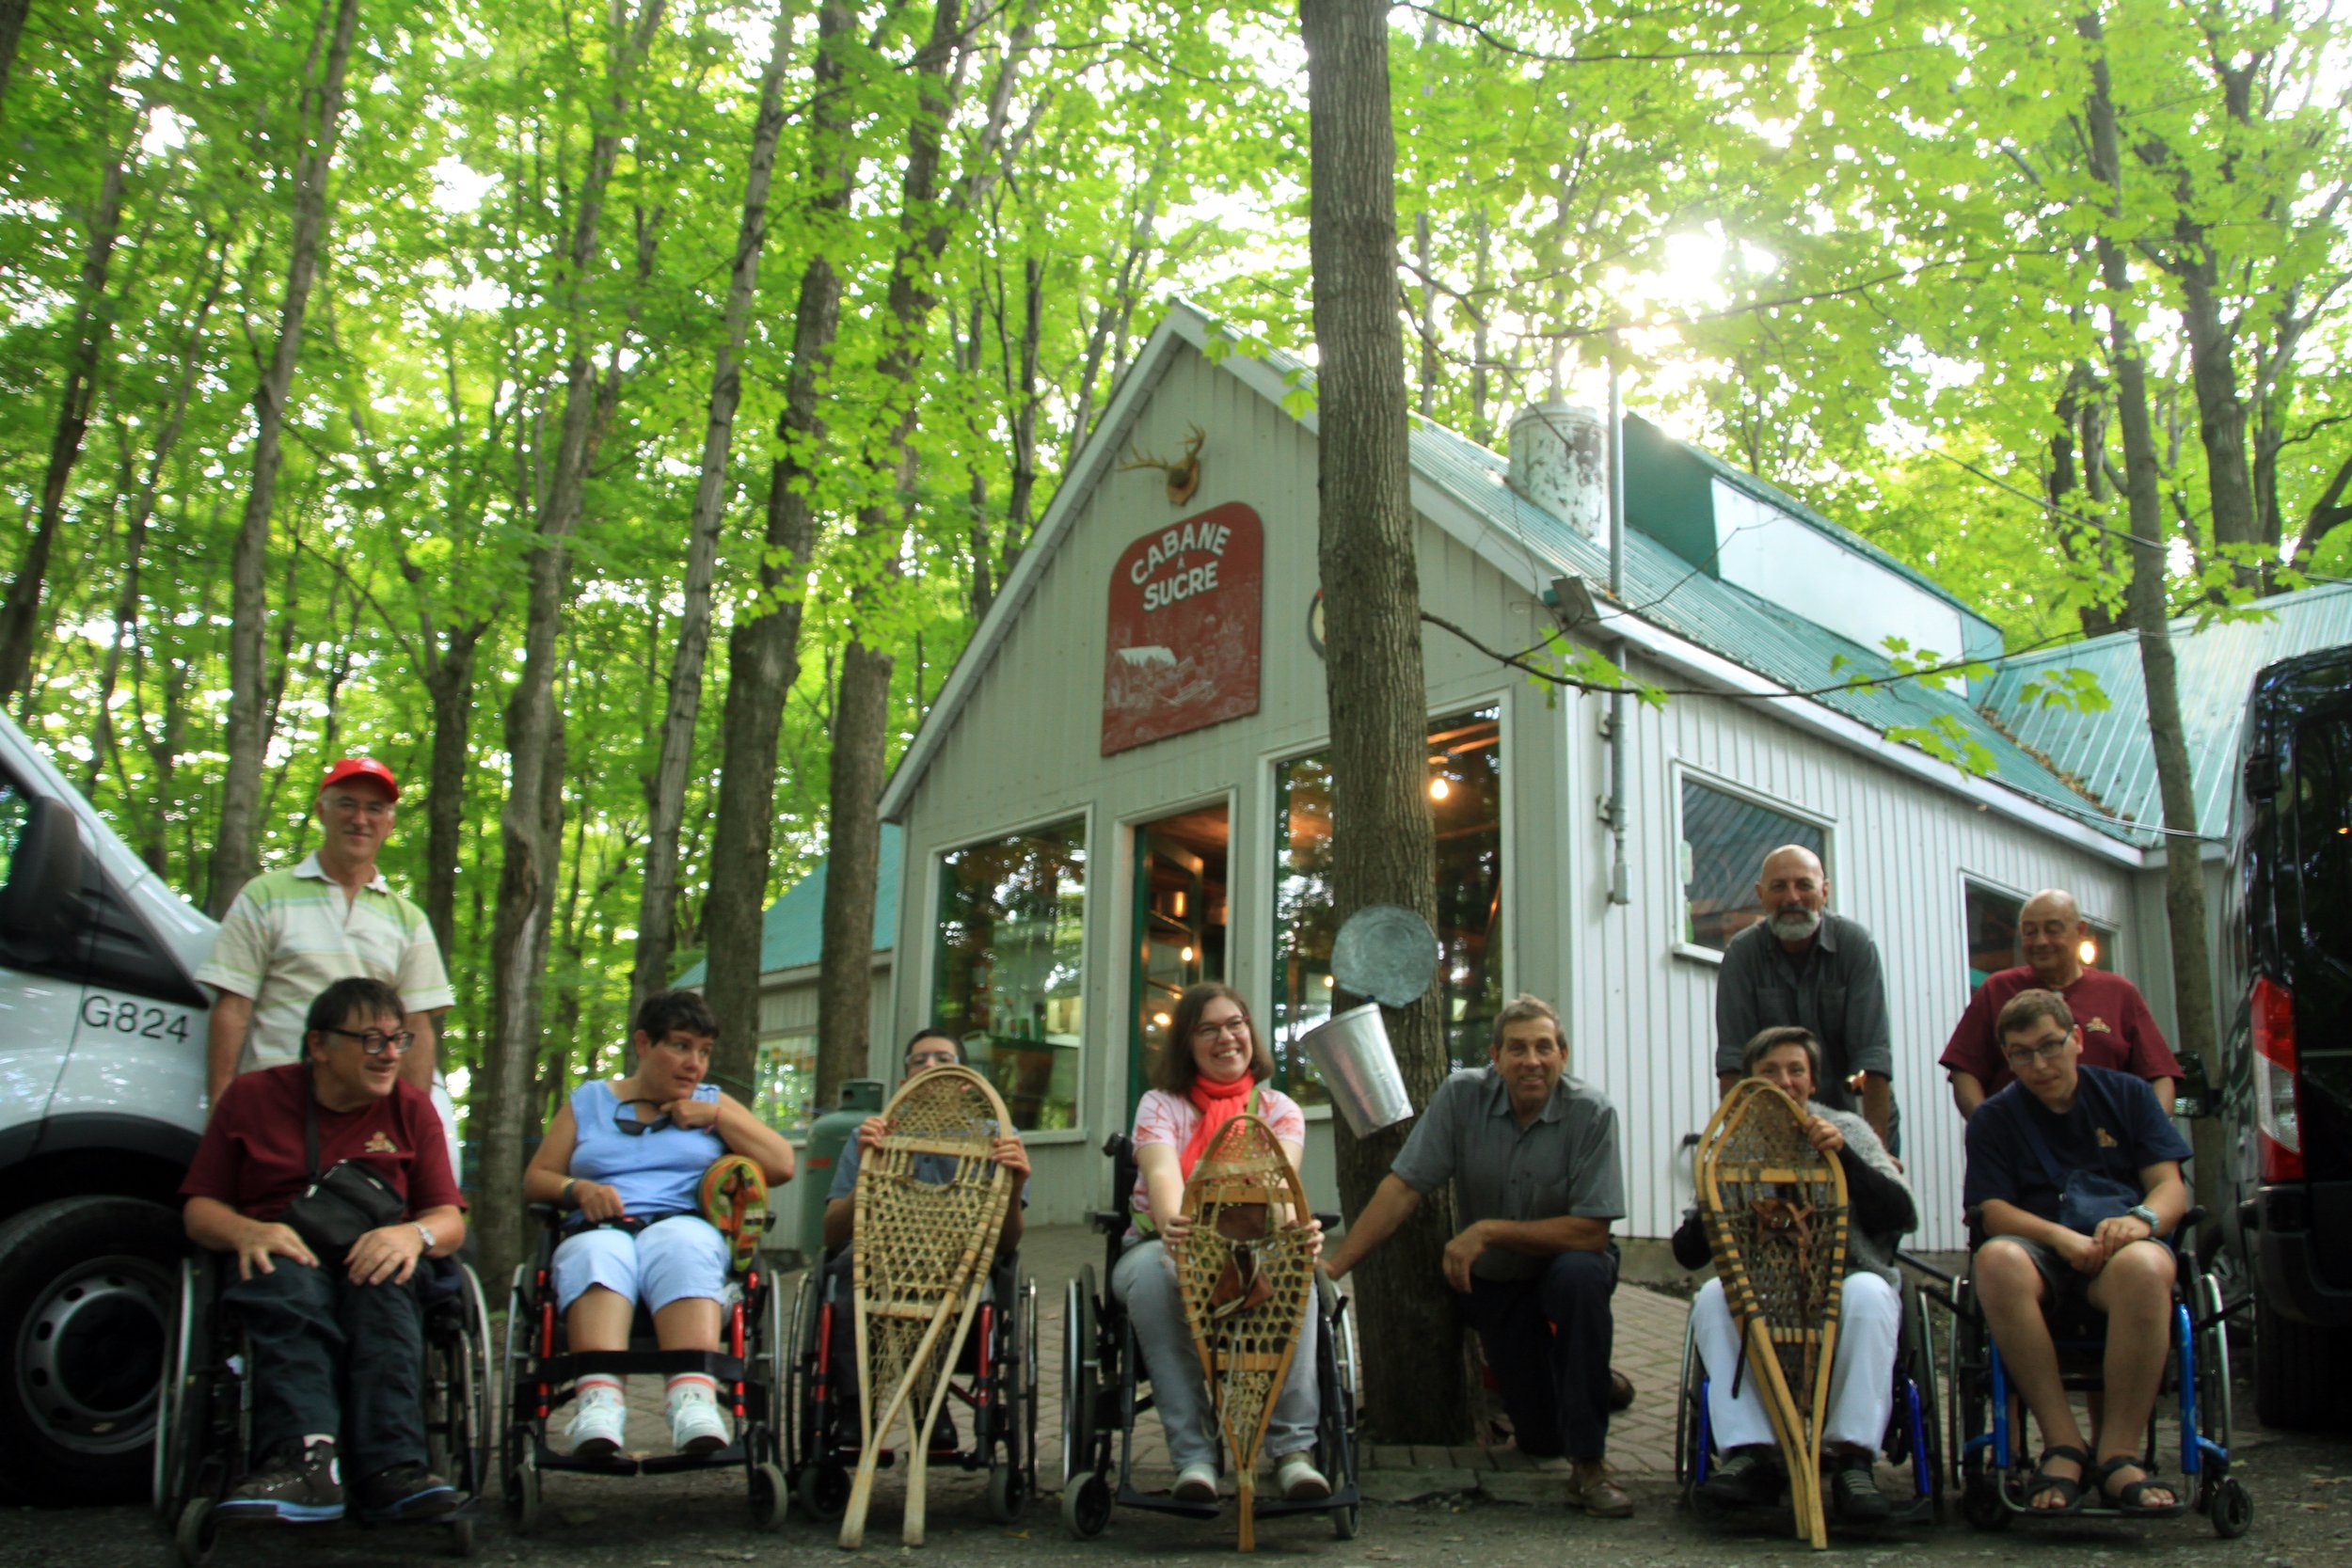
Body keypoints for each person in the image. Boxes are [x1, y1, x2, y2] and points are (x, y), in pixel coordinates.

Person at [1320, 993, 1632, 1518]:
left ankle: (1590, 1467)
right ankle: (1592, 1386)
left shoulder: (1592, 1113)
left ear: (1563, 1054)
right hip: (1500, 1282)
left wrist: (1487, 1230)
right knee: (1539, 1440)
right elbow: (1403, 1187)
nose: (1530, 1060)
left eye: (1542, 1047)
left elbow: (1591, 1233)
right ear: (1495, 1057)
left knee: (1579, 1281)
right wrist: (1335, 1265)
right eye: (1516, 1049)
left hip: (1567, 1263)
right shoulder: (1462, 1098)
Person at [178, 976, 469, 1524]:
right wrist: (247, 1232)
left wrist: (413, 1235)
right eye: (370, 1040)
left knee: (384, 1284)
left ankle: (394, 1467)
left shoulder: (412, 1108)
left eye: (398, 1040)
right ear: (318, 1045)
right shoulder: (252, 1098)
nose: (388, 1056)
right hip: (280, 1249)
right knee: (286, 1284)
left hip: (377, 1253)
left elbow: (447, 1219)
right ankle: (304, 1461)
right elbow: (199, 1208)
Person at [520, 989, 796, 1458]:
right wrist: (577, 1190)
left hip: (684, 1224)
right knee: (599, 1252)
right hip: (601, 1227)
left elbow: (782, 1165)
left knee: (679, 1242)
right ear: (644, 1044)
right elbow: (536, 1178)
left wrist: (715, 1118)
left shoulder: (713, 1103)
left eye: (705, 1052)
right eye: (682, 1046)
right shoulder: (589, 1102)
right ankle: (599, 1403)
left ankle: (693, 1400)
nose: (695, 1064)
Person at [1962, 989, 2192, 1516]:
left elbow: (2170, 1189)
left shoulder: (2129, 1096)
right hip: (2041, 1250)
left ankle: (2118, 1456)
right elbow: (1991, 1209)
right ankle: (2062, 1445)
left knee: (2146, 1264)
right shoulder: (1995, 1119)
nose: (2039, 1064)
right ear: (2008, 1058)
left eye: (2049, 1046)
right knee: (1995, 1258)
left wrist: (2140, 1223)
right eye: (2021, 1053)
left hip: (2121, 1244)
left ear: (2077, 1040)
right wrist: (2062, 1238)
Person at [1675, 1026, 1915, 1522]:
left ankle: (1853, 1459)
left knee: (1870, 1294)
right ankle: (1750, 1451)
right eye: (1770, 1072)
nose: (1784, 1082)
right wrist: (1710, 1192)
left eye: (1796, 1071)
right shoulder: (1731, 1141)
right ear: (1750, 1081)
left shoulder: (1846, 1128)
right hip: (1761, 1290)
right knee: (1714, 1296)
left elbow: (1899, 1213)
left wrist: (1843, 1157)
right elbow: (1687, 1252)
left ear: (1813, 1080)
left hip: (1844, 1279)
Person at [1115, 983, 1327, 1504]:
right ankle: (1195, 1458)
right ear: (1187, 1043)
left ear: (1251, 1031)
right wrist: (1177, 1228)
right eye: (1208, 1029)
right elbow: (1162, 1174)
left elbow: (1279, 1191)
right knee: (1155, 1278)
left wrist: (1295, 1231)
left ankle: (1293, 1451)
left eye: (1235, 1024)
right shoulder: (1161, 1105)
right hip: (1165, 1244)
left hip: (1254, 1244)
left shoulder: (1279, 1109)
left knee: (1298, 1273)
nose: (1225, 1037)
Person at [198, 757, 460, 1180]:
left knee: (369, 1227)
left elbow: (418, 1023)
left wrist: (412, 1120)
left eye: (375, 809)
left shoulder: (407, 919)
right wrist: (221, 1109)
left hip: (366, 1113)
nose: (360, 819)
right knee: (266, 1223)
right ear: (321, 811)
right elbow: (233, 1008)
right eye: (346, 804)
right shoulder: (265, 896)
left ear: (389, 824)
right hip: (274, 1102)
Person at [817, 1026, 1029, 1450]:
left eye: (943, 1060)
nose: (931, 1067)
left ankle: (929, 1398)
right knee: (843, 1272)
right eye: (920, 1060)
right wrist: (867, 1171)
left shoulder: (998, 1138)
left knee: (965, 1279)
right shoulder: (870, 1135)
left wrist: (1015, 1186)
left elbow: (1006, 1245)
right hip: (877, 1259)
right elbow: (833, 1233)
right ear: (904, 1080)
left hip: (959, 1260)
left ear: (965, 1078)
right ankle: (855, 1407)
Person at [1714, 844, 1897, 1153]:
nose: (1792, 898)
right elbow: (1734, 1062)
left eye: (1804, 885)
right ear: (1760, 895)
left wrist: (1876, 1150)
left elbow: (1871, 1060)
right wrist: (1742, 1142)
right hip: (1772, 1127)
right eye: (1779, 887)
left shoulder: (1855, 946)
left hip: (1855, 1120)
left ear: (1824, 891)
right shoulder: (1742, 956)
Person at [1940, 889, 2181, 1119]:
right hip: (2022, 1150)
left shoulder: (2119, 993)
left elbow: (2159, 1075)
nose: (2041, 941)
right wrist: (1989, 1130)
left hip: (2110, 1149)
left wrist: (2151, 1139)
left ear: (2080, 930)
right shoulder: (1997, 990)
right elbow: (1965, 1071)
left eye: (2053, 929)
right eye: (2030, 932)